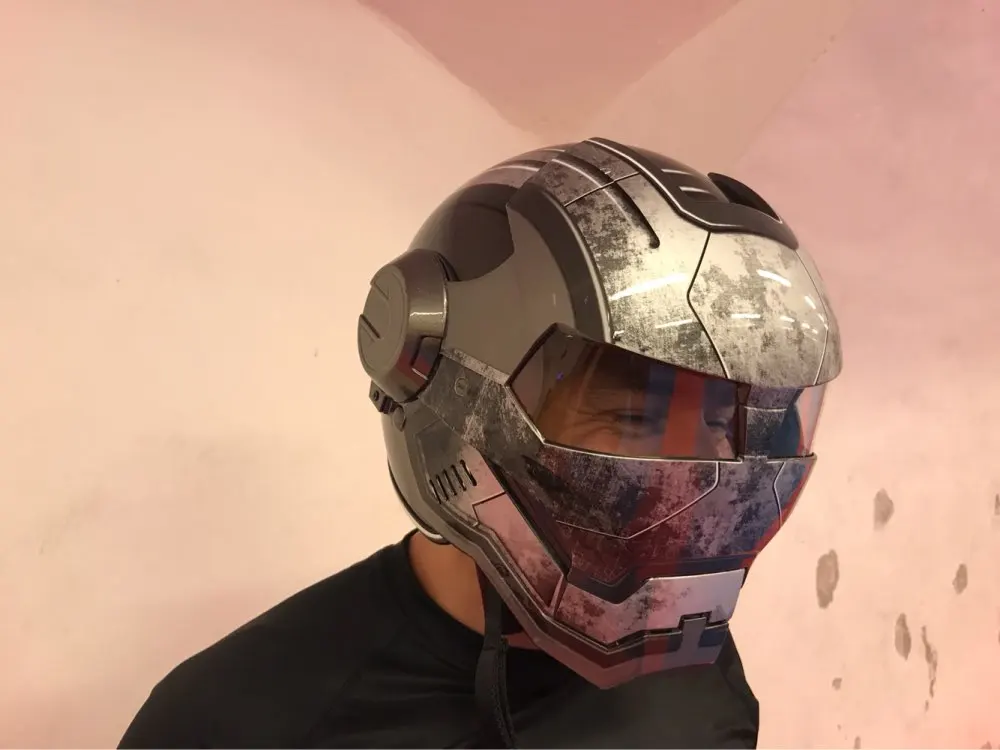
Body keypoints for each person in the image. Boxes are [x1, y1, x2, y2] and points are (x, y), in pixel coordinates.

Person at [119, 137, 843, 749]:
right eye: (635, 418)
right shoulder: (234, 722)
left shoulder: (687, 664)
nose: (703, 471)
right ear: (432, 373)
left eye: (724, 424)